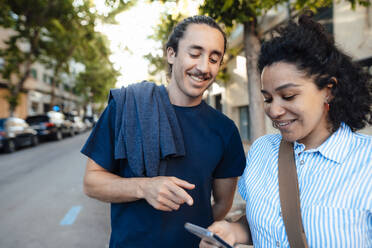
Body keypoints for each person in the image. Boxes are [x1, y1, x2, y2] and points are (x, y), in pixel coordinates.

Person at [200, 12, 372, 248]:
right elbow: (262, 223)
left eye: (288, 96)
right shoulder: (262, 151)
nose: (274, 110)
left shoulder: (367, 162)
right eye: (268, 98)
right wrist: (232, 231)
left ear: (328, 90)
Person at [81, 15, 246, 248]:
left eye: (214, 58)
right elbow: (91, 182)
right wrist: (144, 187)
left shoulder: (225, 130)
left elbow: (221, 205)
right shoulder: (126, 107)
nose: (203, 67)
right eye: (195, 53)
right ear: (171, 54)